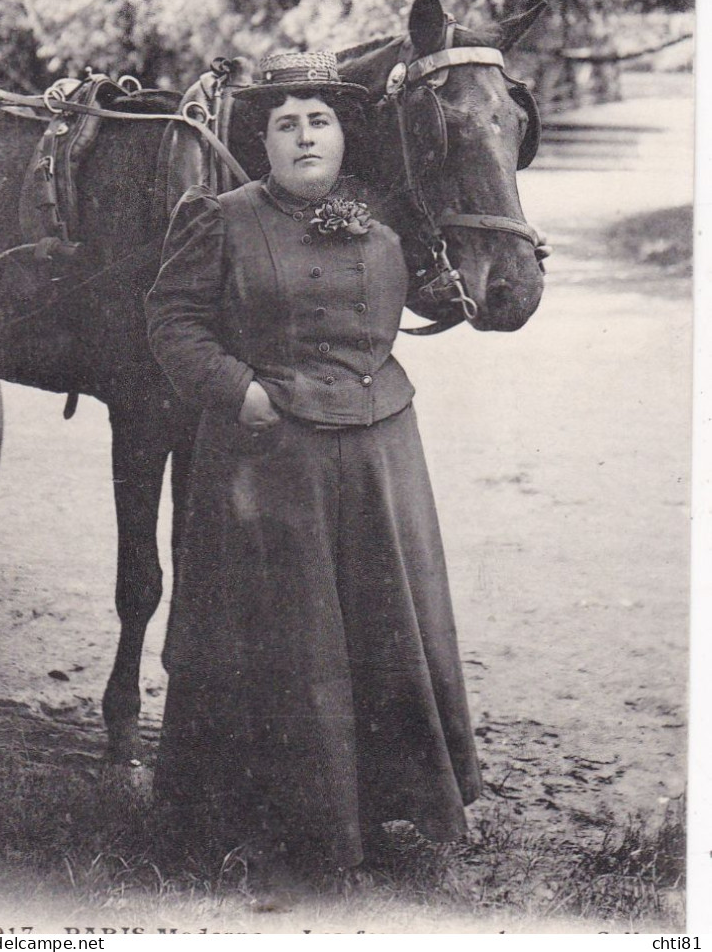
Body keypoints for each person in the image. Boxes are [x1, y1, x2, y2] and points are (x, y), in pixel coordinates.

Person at [144, 50, 481, 890]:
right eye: (285, 123)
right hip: (271, 458)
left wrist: (469, 280)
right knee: (288, 639)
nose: (304, 136)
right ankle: (267, 821)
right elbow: (171, 319)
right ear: (261, 141)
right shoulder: (218, 218)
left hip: (378, 454)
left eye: (319, 120)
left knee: (378, 628)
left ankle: (387, 806)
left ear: (341, 135)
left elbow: (423, 296)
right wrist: (240, 392)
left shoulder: (383, 216)